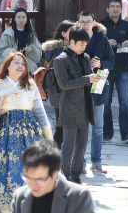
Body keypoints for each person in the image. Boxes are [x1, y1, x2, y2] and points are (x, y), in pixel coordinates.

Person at [0, 51, 53, 212]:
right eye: (16, 62)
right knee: (7, 168)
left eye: (23, 64)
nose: (20, 66)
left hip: (29, 133)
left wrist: (48, 135)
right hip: (5, 135)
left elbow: (40, 112)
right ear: (7, 65)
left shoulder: (30, 85)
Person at [54, 26, 99, 184]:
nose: (83, 47)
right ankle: (65, 175)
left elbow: (88, 79)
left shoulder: (85, 57)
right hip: (69, 106)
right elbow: (64, 84)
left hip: (85, 105)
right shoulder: (60, 59)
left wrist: (97, 75)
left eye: (85, 44)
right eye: (81, 44)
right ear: (71, 42)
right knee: (68, 144)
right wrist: (88, 79)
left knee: (82, 144)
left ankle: (76, 175)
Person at [99, 0, 128, 144]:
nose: (115, 9)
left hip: (123, 69)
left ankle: (126, 135)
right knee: (104, 103)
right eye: (112, 6)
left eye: (118, 6)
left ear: (121, 9)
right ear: (107, 9)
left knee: (125, 103)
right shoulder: (99, 26)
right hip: (104, 69)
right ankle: (106, 134)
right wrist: (105, 42)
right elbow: (92, 44)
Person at [76, 10, 115, 173]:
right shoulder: (74, 40)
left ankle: (96, 161)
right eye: (82, 21)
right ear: (77, 23)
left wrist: (101, 65)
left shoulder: (102, 40)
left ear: (94, 23)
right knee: (81, 126)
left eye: (88, 21)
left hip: (98, 83)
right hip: (79, 85)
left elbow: (112, 62)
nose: (85, 24)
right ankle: (81, 162)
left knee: (98, 127)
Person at [11, 140, 97, 213]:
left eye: (39, 179)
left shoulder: (79, 197)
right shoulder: (20, 196)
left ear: (55, 174)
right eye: (28, 177)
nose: (32, 184)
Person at [40, 20, 76, 148]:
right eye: (71, 31)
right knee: (62, 124)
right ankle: (52, 152)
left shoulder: (56, 48)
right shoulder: (63, 49)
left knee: (61, 122)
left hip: (58, 89)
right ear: (63, 33)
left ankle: (54, 152)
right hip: (61, 88)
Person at [0, 8, 42, 75]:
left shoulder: (32, 34)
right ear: (14, 18)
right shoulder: (8, 34)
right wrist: (13, 51)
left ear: (27, 19)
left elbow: (38, 55)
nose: (21, 20)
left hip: (28, 70)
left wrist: (32, 49)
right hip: (11, 70)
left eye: (23, 17)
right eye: (19, 17)